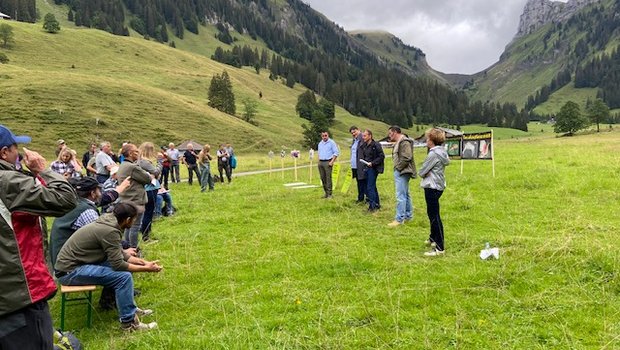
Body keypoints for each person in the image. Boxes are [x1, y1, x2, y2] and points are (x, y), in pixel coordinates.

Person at [0, 125, 77, 349]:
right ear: (4, 152)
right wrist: (41, 170)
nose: (20, 154)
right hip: (18, 296)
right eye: (16, 148)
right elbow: (65, 199)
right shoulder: (8, 182)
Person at [54, 203, 161, 331]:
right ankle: (129, 324)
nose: (135, 222)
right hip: (70, 272)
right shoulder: (109, 230)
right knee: (123, 277)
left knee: (125, 272)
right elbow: (119, 264)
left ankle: (129, 309)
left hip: (78, 264)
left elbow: (119, 254)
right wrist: (147, 269)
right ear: (127, 220)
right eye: (134, 219)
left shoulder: (110, 222)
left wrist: (144, 262)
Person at [419, 128, 450, 257]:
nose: (426, 140)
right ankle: (433, 238)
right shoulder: (442, 152)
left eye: (428, 138)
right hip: (438, 186)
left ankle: (440, 247)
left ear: (432, 140)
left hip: (432, 186)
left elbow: (422, 171)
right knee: (432, 214)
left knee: (434, 216)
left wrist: (425, 172)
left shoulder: (433, 154)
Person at [117, 143, 153, 248]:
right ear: (130, 153)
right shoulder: (132, 167)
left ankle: (127, 247)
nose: (138, 153)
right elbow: (148, 179)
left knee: (128, 226)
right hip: (135, 200)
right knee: (135, 226)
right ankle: (133, 249)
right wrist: (148, 175)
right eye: (136, 151)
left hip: (126, 199)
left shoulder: (122, 165)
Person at [387, 125, 417, 227]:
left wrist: (398, 168)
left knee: (400, 196)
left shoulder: (404, 142)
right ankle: (408, 216)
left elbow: (407, 156)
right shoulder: (400, 142)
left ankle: (399, 219)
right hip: (402, 171)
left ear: (395, 132)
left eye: (390, 133)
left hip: (403, 171)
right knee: (406, 194)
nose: (389, 136)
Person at [137, 142, 161, 243]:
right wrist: (160, 163)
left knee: (147, 212)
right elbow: (156, 172)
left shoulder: (138, 161)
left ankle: (147, 233)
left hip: (146, 188)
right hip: (150, 189)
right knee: (148, 213)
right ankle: (146, 236)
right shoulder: (144, 162)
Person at [358, 129, 384, 212]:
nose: (363, 137)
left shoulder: (376, 145)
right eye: (363, 136)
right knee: (372, 187)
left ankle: (372, 207)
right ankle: (377, 204)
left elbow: (381, 156)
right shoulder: (364, 145)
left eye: (365, 135)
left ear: (370, 136)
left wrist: (372, 163)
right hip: (367, 168)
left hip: (373, 168)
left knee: (370, 188)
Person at [317, 131, 339, 198]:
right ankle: (326, 193)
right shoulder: (320, 143)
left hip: (328, 162)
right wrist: (319, 161)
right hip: (321, 162)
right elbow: (319, 152)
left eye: (325, 135)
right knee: (322, 178)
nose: (324, 137)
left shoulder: (331, 142)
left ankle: (330, 194)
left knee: (328, 178)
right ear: (321, 136)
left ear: (328, 135)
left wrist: (332, 162)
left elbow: (336, 152)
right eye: (323, 136)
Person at [349, 126, 366, 203]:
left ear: (359, 130)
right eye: (352, 133)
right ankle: (360, 197)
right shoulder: (354, 140)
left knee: (364, 181)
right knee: (359, 182)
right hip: (354, 165)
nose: (353, 134)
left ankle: (368, 197)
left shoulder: (362, 139)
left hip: (361, 165)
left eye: (354, 131)